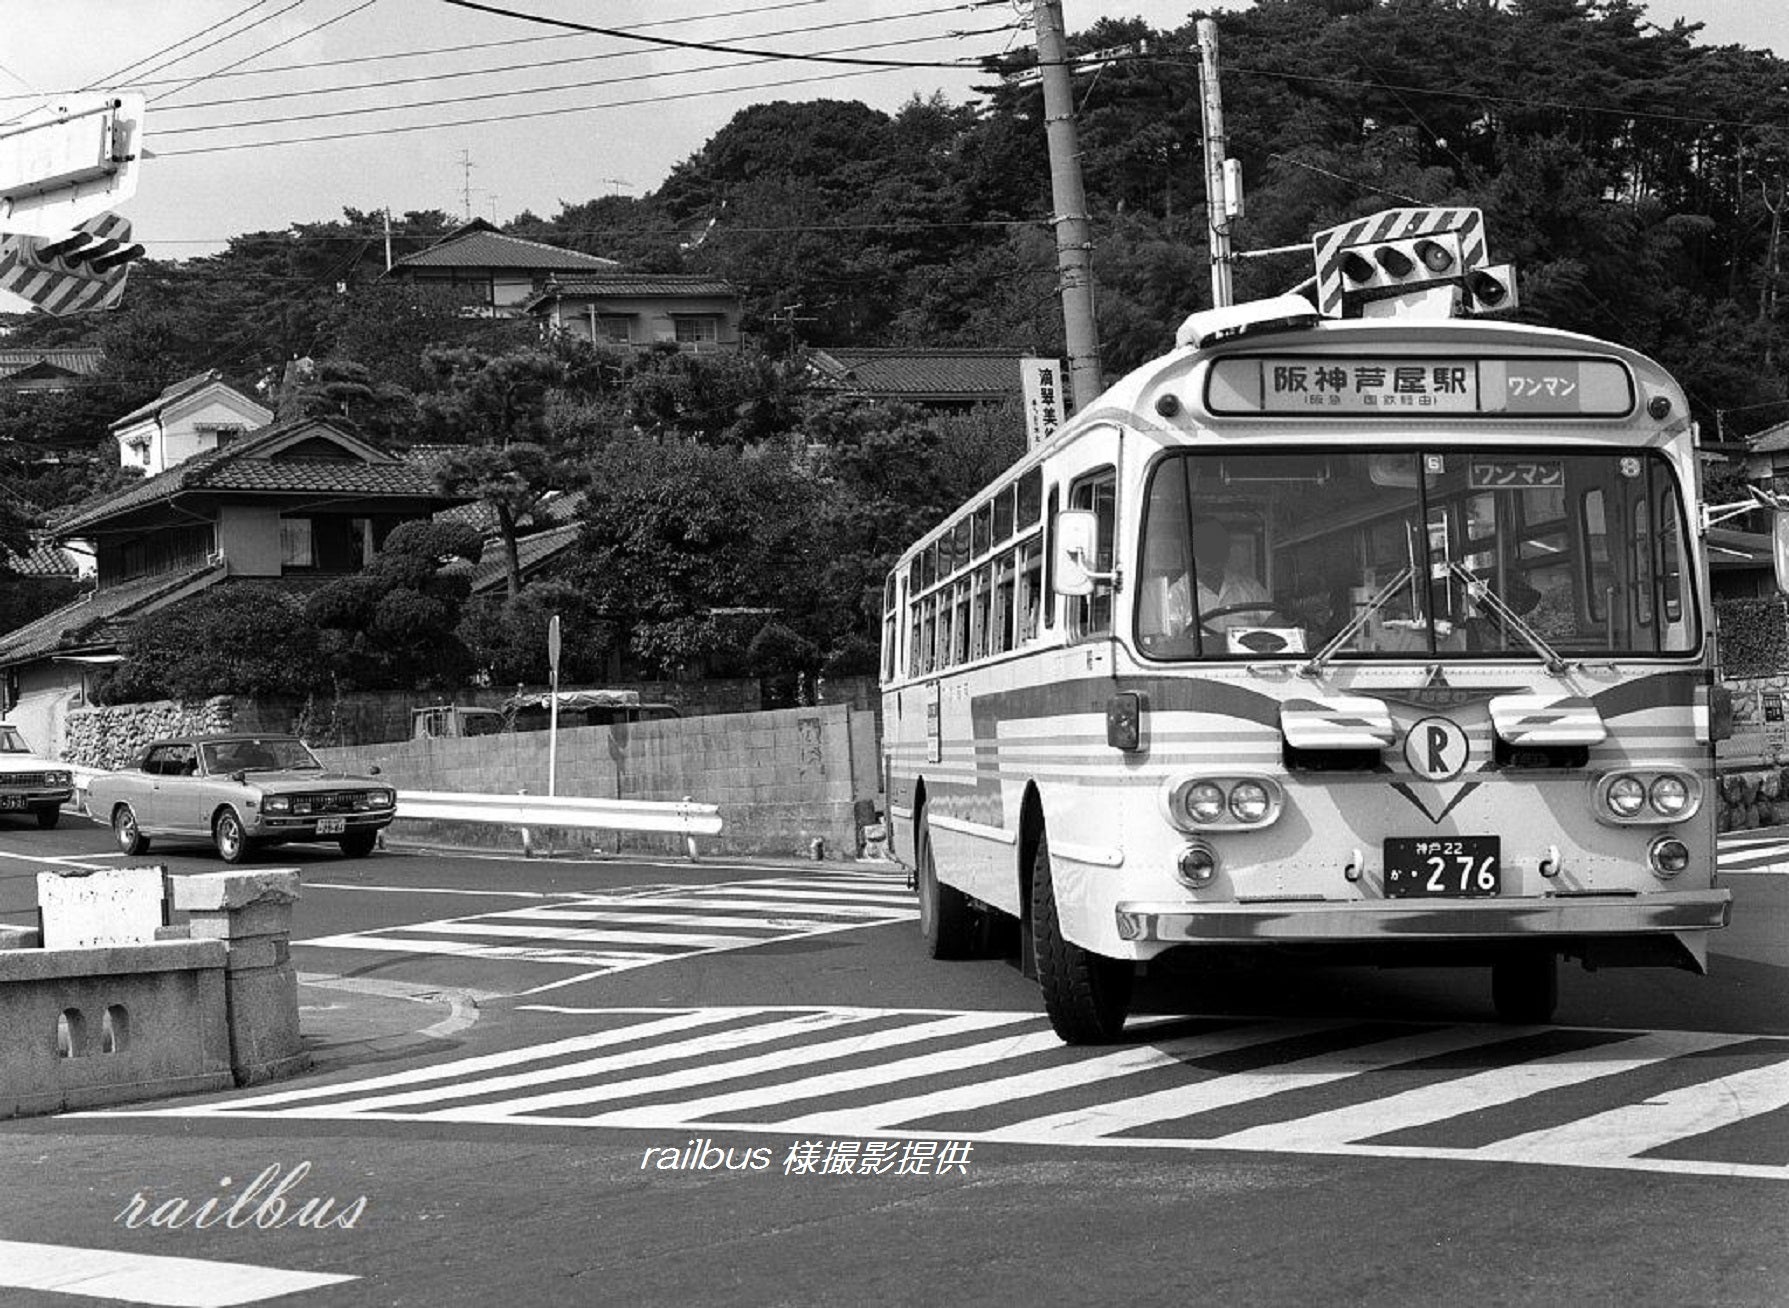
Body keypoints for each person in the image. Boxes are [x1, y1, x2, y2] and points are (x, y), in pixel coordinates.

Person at [1139, 516, 1275, 642]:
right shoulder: (1177, 595)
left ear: (1226, 553)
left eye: (1216, 553)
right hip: (1200, 667)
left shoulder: (1250, 589)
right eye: (1206, 555)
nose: (1213, 564)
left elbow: (1277, 625)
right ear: (1191, 555)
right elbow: (1166, 641)